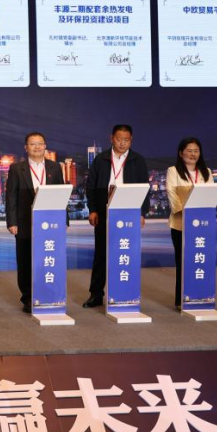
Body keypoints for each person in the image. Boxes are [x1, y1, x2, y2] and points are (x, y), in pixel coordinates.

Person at [83, 124, 149, 308]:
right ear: (111, 138)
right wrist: (93, 209)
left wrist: (142, 213)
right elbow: (91, 186)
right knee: (101, 254)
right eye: (119, 139)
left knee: (126, 252)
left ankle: (125, 292)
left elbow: (145, 188)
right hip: (104, 211)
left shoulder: (138, 160)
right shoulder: (101, 159)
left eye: (126, 140)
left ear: (131, 140)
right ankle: (96, 295)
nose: (122, 143)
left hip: (129, 212)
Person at [5, 132, 64, 312]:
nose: (37, 147)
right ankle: (28, 298)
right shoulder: (17, 168)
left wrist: (64, 220)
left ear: (45, 146)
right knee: (25, 262)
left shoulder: (55, 167)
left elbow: (61, 194)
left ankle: (48, 294)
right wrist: (12, 222)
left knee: (48, 259)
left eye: (40, 143)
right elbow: (11, 197)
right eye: (33, 144)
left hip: (50, 223)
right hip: (24, 222)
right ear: (26, 148)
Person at [166, 137, 215, 310]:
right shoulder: (173, 171)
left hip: (202, 225)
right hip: (180, 223)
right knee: (183, 262)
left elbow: (211, 194)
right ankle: (182, 300)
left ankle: (201, 297)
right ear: (181, 153)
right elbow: (171, 193)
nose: (193, 154)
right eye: (189, 151)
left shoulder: (206, 172)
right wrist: (184, 212)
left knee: (201, 261)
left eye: (196, 151)